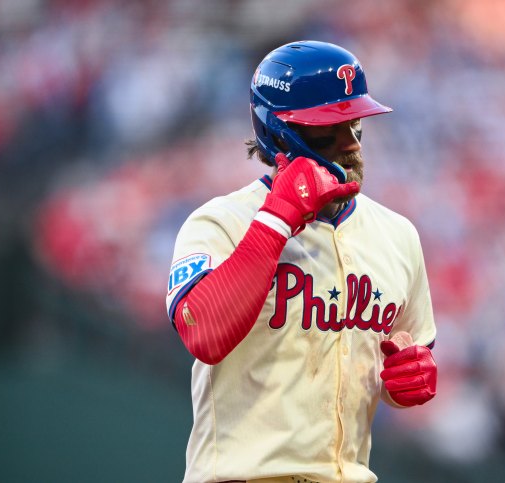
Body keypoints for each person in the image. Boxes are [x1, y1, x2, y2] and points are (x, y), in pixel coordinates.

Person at [166, 40, 438, 483]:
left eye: (354, 122)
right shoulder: (220, 222)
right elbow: (203, 333)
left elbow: (409, 352)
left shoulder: (398, 235)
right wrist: (276, 220)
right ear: (278, 131)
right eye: (327, 127)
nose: (350, 143)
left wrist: (407, 378)